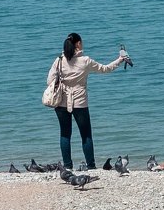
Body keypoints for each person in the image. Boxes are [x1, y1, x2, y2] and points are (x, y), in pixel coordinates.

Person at [47, 32, 127, 170]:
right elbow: (105, 69)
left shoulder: (59, 60)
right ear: (78, 44)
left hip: (60, 102)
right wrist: (120, 60)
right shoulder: (85, 61)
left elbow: (49, 81)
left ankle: (67, 167)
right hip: (80, 103)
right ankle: (91, 165)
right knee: (86, 135)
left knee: (65, 134)